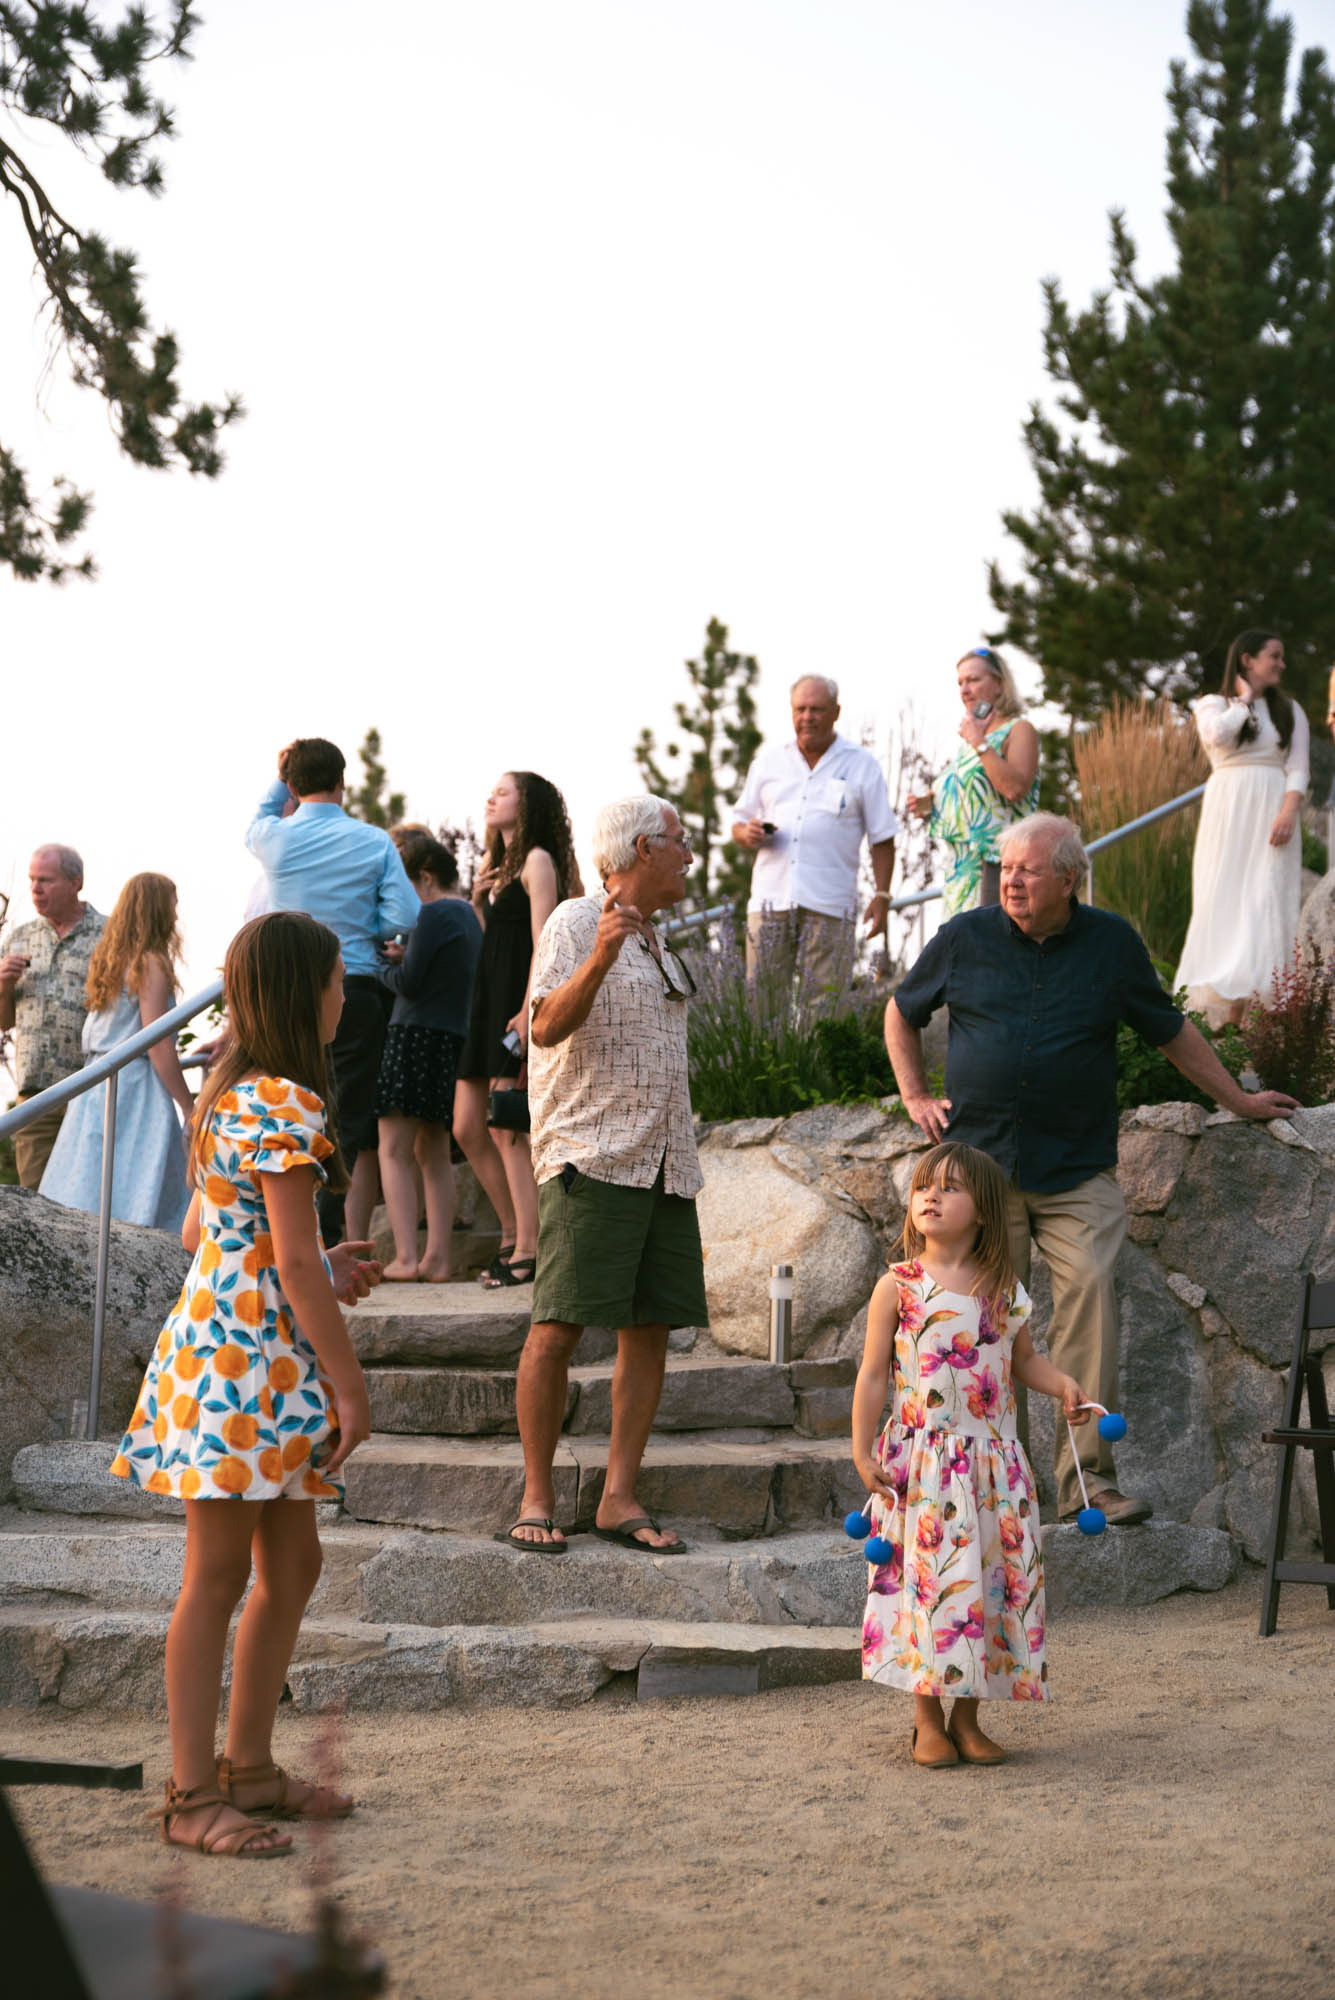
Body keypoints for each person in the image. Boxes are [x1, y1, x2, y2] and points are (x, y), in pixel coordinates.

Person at [885, 812, 1297, 1526]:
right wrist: (914, 1094)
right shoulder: (963, 937)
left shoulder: (1111, 944)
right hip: (980, 1175)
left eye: (1028, 869)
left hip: (1076, 1169)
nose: (1010, 880)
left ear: (1069, 878)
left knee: (1091, 1301)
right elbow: (901, 1010)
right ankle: (996, 1488)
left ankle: (1087, 1481)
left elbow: (1170, 1031)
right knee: (983, 1322)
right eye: (1007, 868)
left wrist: (1237, 1099)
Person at [111, 911, 380, 1859]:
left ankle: (251, 1769)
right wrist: (349, 1386)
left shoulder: (228, 1093)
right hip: (246, 1364)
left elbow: (206, 1233)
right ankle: (191, 1797)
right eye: (338, 980)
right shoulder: (286, 1101)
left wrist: (305, 1260)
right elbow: (292, 1265)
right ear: (307, 993)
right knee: (218, 1576)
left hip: (227, 1347)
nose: (344, 996)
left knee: (290, 1566)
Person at [500, 794, 708, 1552]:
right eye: (679, 841)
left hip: (664, 1166)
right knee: (556, 1328)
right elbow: (543, 1027)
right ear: (643, 849)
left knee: (648, 1331)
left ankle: (618, 1497)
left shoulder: (659, 941)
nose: (690, 855)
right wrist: (599, 957)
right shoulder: (575, 921)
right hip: (590, 1157)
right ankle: (537, 1496)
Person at [853, 1142, 1091, 1765]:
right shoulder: (898, 1286)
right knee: (931, 1589)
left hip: (993, 1471)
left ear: (983, 1210)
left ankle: (967, 1718)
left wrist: (1063, 1384)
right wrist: (860, 1450)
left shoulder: (1004, 1290)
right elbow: (872, 1375)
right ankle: (925, 1720)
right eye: (923, 1186)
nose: (931, 1196)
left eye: (950, 1187)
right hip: (924, 1469)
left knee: (986, 1587)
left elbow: (1024, 1361)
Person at [246, 738, 419, 1244]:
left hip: (282, 991)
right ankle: (322, 1226)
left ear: (292, 785)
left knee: (282, 1100)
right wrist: (370, 929)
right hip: (352, 987)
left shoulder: (272, 837)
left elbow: (259, 817)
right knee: (345, 1114)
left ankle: (278, 1222)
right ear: (343, 782)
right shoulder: (374, 841)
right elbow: (405, 915)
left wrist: (281, 775)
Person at [455, 771, 582, 1289]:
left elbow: (542, 942)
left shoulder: (537, 860)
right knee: (467, 1126)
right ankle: (512, 1233)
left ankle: (528, 1249)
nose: (492, 797)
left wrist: (531, 1010)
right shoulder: (498, 865)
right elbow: (497, 942)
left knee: (507, 1128)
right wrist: (478, 904)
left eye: (503, 791)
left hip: (515, 1002)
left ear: (527, 804)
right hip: (485, 1002)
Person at [40, 873, 195, 1230]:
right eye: (172, 906)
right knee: (136, 1192)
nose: (175, 915)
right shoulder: (150, 961)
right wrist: (188, 1105)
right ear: (158, 910)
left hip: (96, 1083)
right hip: (133, 1088)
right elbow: (156, 1041)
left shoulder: (110, 958)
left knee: (87, 1185)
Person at [1175, 630, 1311, 1028]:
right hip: (1228, 811)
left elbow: (1299, 766)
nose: (1282, 664)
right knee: (1224, 895)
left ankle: (1250, 1009)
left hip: (1273, 810)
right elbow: (1215, 736)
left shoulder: (1290, 710)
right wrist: (1245, 702)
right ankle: (1221, 1009)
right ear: (1248, 660)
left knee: (1266, 897)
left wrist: (1289, 812)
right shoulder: (1212, 705)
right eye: (1274, 656)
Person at [731, 675, 898, 990]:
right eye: (800, 709)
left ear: (836, 712)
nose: (807, 717)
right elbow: (738, 822)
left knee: (826, 1006)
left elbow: (883, 837)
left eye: (817, 709)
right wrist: (747, 833)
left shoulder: (862, 764)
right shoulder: (768, 762)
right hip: (770, 901)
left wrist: (882, 895)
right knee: (761, 1004)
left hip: (830, 903)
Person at [374, 830, 482, 1281]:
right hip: (449, 1040)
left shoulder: (433, 913)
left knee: (393, 1148)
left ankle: (405, 1257)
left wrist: (381, 966)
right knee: (433, 1151)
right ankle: (437, 1258)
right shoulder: (469, 916)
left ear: (425, 877)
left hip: (413, 1037)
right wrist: (407, 956)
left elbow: (411, 983)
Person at [0, 845, 105, 1186]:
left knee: (89, 1196)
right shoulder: (19, 938)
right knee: (35, 1197)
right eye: (32, 880)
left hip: (93, 1089)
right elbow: (4, 1022)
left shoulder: (109, 936)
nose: (35, 889)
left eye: (45, 880)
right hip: (36, 1096)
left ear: (76, 882)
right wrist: (4, 985)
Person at [907, 646, 1040, 914]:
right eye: (960, 683)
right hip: (960, 872)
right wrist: (931, 805)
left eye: (973, 680)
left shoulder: (1018, 730)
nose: (965, 690)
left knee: (989, 940)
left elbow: (1014, 789)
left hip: (997, 865)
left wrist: (979, 742)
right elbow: (977, 798)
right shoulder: (969, 743)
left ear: (1000, 684)